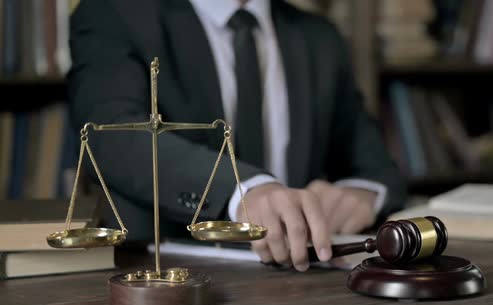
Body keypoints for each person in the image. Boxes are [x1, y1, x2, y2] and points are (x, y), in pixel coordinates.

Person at [68, 0, 406, 272]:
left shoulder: (319, 38)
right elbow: (111, 135)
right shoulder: (113, 13)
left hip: (300, 277)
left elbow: (377, 168)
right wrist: (246, 190)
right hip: (168, 277)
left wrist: (362, 195)